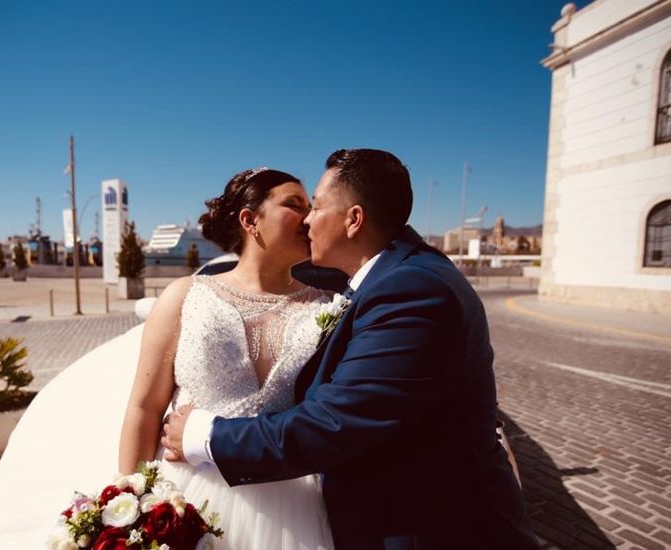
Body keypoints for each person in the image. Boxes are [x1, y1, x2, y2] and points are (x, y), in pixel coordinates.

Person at [164, 149, 539, 549]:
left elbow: (333, 423)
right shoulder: (391, 276)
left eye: (317, 206)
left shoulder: (412, 290)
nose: (307, 220)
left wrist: (204, 436)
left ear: (353, 219)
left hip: (431, 530)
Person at [118, 167, 335, 549]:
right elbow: (145, 406)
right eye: (294, 205)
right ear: (250, 220)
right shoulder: (185, 296)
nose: (310, 216)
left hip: (289, 510)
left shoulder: (325, 307)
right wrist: (130, 505)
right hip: (186, 499)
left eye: (312, 206)